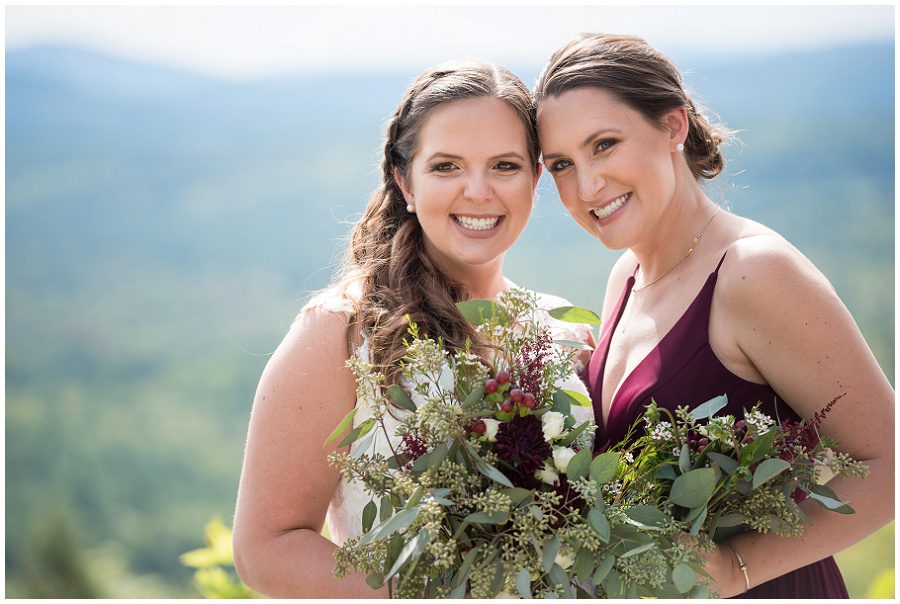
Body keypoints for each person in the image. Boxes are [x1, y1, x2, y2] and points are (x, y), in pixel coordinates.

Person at [533, 33, 894, 598]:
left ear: (673, 127)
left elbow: (889, 462)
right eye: (560, 164)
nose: (586, 186)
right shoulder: (626, 276)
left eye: (604, 144)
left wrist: (735, 569)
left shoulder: (754, 272)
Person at [231, 60, 592, 598]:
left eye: (505, 166)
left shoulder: (564, 332)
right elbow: (268, 546)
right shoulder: (340, 333)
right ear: (405, 181)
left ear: (535, 180)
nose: (478, 191)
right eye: (446, 166)